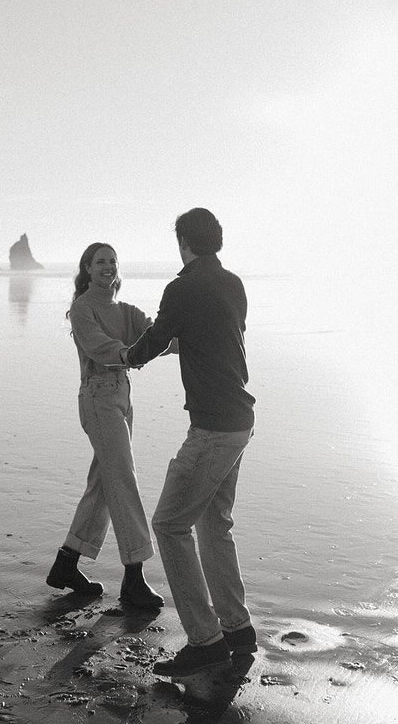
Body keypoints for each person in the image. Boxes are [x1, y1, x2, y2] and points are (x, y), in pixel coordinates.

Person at [121, 208, 257, 679]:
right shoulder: (234, 283)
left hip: (213, 428)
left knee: (170, 525)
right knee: (214, 524)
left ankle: (206, 641)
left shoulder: (182, 287)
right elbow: (214, 335)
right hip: (240, 421)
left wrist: (125, 357)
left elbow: (156, 338)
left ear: (184, 241)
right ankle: (237, 629)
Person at [45, 242, 164, 609]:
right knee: (123, 479)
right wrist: (129, 354)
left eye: (113, 261)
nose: (108, 267)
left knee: (103, 482)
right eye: (100, 262)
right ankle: (134, 576)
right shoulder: (82, 309)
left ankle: (67, 563)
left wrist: (190, 337)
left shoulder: (125, 310)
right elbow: (99, 346)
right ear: (87, 268)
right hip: (97, 397)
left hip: (122, 398)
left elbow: (155, 335)